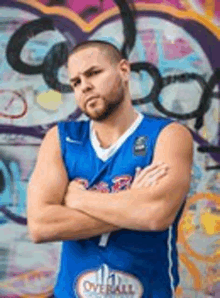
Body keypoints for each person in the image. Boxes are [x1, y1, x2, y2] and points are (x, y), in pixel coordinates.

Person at [27, 40, 193, 298]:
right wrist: (131, 205)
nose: (85, 86)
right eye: (76, 82)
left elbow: (155, 214)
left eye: (93, 73)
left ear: (124, 70)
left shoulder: (168, 135)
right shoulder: (61, 138)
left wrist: (78, 198)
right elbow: (41, 226)